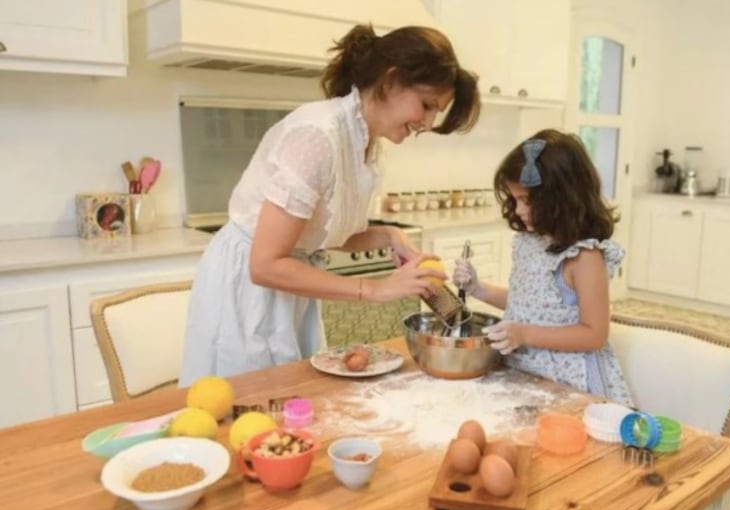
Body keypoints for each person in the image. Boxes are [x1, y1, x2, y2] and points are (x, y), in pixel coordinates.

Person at [180, 24, 481, 386]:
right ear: (392, 81)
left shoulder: (363, 140)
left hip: (288, 287)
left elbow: (323, 233)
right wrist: (376, 289)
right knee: (244, 411)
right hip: (249, 290)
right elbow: (264, 265)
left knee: (289, 407)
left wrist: (388, 236)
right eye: (427, 105)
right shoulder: (317, 136)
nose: (428, 123)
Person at [453, 129, 633, 403]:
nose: (519, 210)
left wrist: (524, 333)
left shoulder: (584, 257)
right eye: (514, 200)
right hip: (527, 371)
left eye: (527, 200)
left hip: (571, 384)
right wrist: (479, 289)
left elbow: (594, 334)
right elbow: (528, 304)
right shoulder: (530, 242)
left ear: (563, 198)